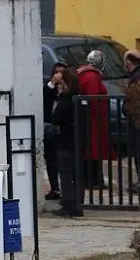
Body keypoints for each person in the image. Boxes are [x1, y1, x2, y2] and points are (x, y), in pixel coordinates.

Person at [77, 50, 112, 189]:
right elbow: (94, 99)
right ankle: (93, 180)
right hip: (94, 120)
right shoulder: (92, 76)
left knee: (91, 149)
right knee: (93, 149)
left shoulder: (85, 74)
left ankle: (93, 179)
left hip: (91, 118)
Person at [52, 68, 84, 218]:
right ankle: (78, 205)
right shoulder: (81, 97)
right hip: (79, 141)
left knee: (65, 174)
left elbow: (56, 118)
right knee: (77, 174)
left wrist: (59, 97)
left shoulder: (66, 98)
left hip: (65, 141)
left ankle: (68, 206)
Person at [43, 61, 68, 201]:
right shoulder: (49, 87)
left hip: (64, 131)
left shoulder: (69, 89)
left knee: (65, 161)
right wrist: (53, 84)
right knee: (51, 160)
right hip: (50, 130)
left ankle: (67, 190)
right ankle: (55, 188)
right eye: (57, 72)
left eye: (62, 73)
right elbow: (45, 95)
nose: (59, 75)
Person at [123, 51, 140, 191]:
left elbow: (133, 102)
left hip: (138, 121)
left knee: (139, 152)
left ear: (128, 62)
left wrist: (126, 109)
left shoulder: (137, 78)